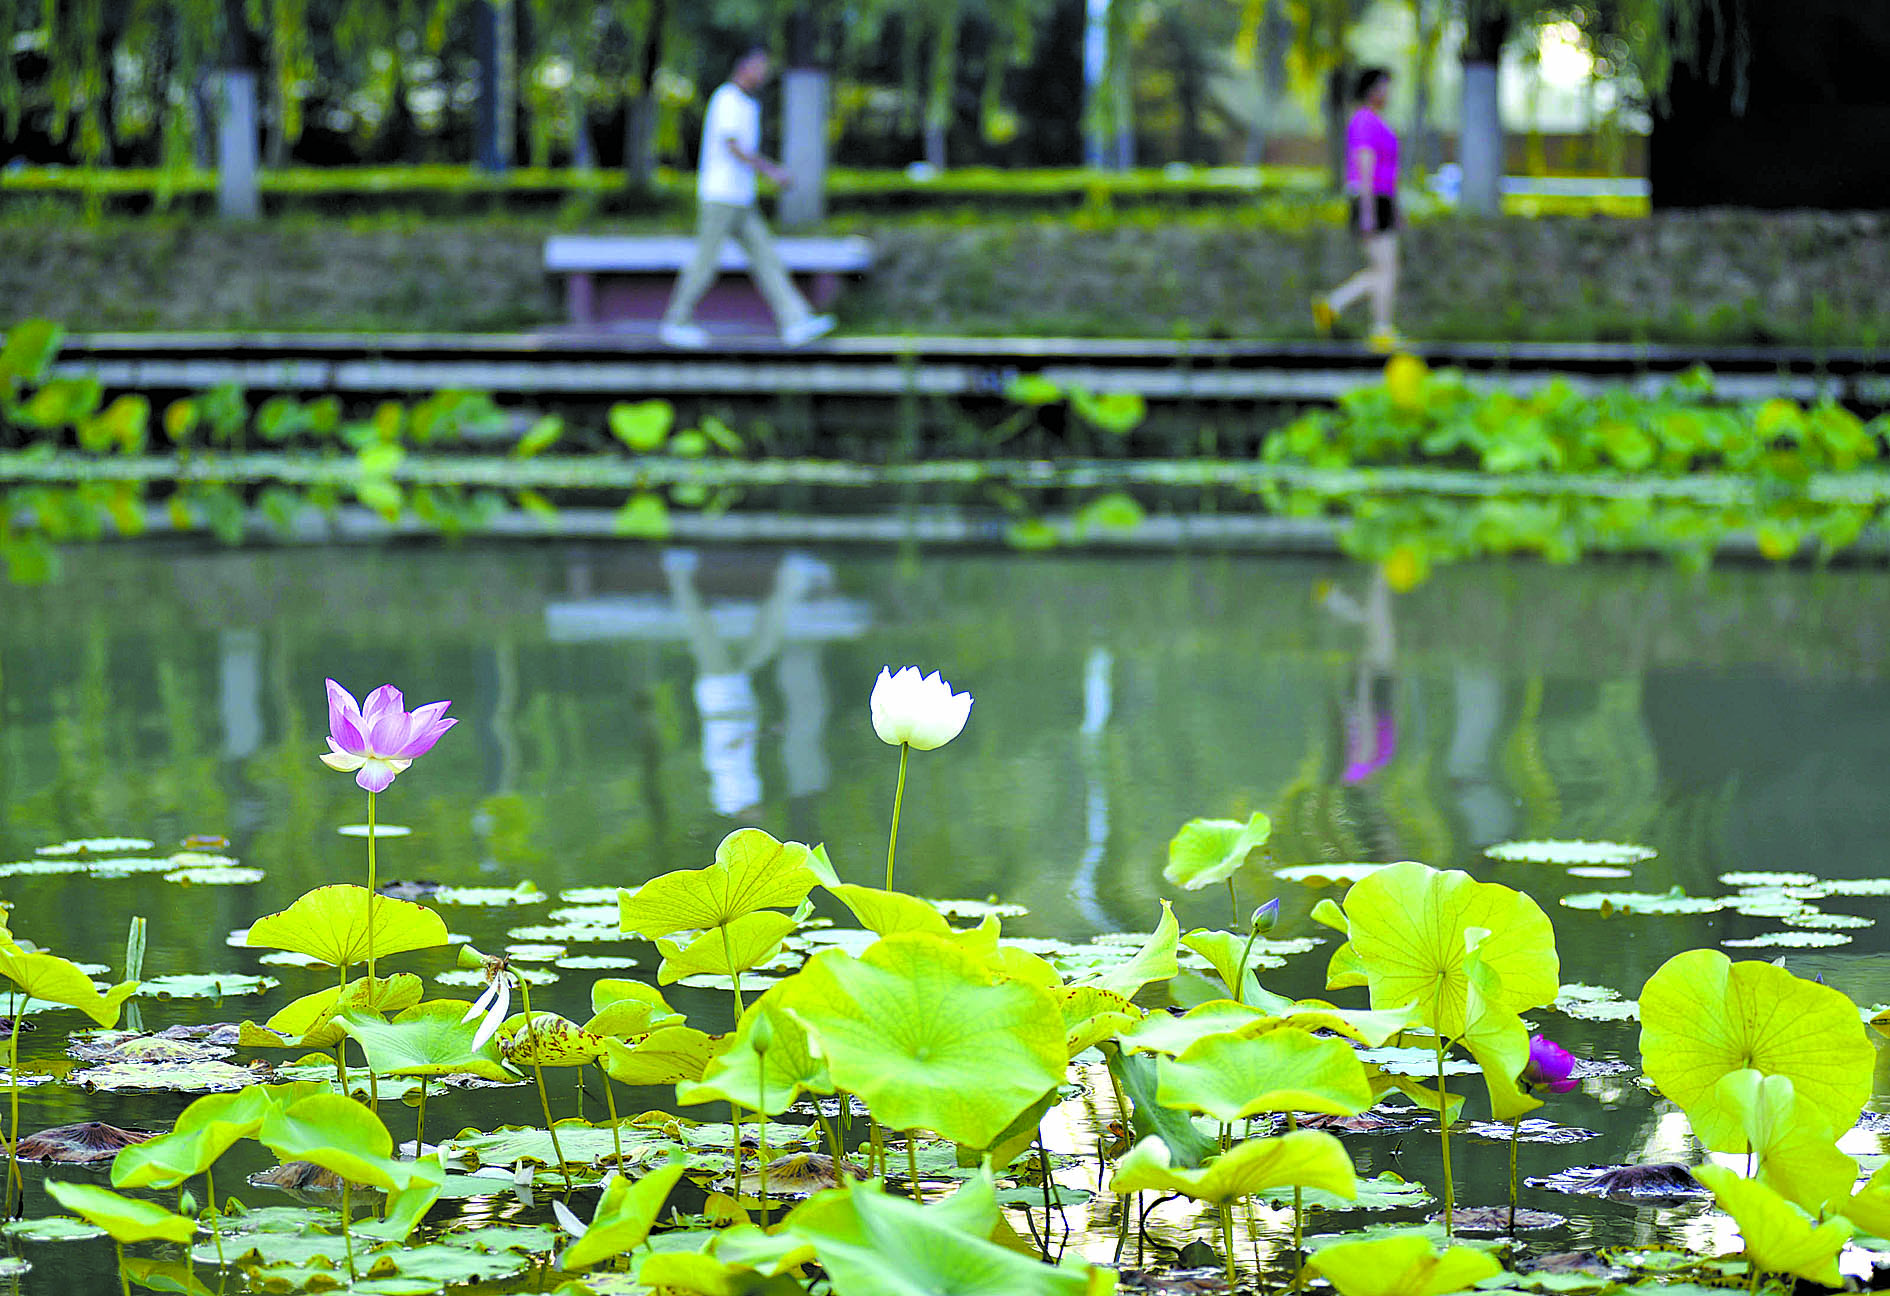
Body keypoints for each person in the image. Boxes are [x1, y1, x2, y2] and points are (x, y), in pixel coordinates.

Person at [659, 47, 836, 350]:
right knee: (706, 261)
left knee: (766, 257)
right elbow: (733, 146)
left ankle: (795, 321)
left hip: (740, 198)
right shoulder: (727, 99)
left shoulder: (745, 103)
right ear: (744, 68)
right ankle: (675, 322)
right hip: (721, 196)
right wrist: (771, 171)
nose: (764, 74)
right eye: (760, 68)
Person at [1312, 67, 1402, 352]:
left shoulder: (1377, 121)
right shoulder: (1364, 121)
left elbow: (1388, 171)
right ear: (1371, 90)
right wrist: (1367, 211)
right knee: (1386, 268)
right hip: (1370, 199)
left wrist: (1394, 207)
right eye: (1384, 87)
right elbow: (1364, 165)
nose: (1388, 93)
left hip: (1382, 199)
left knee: (1384, 268)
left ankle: (1335, 306)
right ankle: (1379, 329)